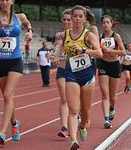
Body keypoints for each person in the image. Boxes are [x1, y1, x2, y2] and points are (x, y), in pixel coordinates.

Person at [53, 5, 103, 150]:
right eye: (75, 16)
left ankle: (83, 125)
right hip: (71, 74)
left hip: (87, 75)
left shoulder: (89, 35)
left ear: (85, 18)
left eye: (80, 16)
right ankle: (74, 140)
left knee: (86, 110)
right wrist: (55, 55)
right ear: (72, 17)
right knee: (73, 109)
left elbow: (99, 53)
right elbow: (59, 46)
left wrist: (84, 50)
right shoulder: (65, 34)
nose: (77, 19)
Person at [0, 0, 33, 146]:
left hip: (15, 61)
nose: (4, 2)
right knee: (8, 97)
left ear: (12, 1)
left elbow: (26, 23)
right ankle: (14, 123)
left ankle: (2, 132)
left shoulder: (19, 17)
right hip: (0, 62)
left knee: (8, 95)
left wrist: (30, 31)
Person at [97, 15, 126, 129]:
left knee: (113, 96)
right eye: (103, 22)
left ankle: (112, 107)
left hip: (114, 65)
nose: (105, 24)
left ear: (111, 23)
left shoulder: (116, 36)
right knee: (105, 94)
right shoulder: (100, 37)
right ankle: (106, 119)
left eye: (107, 22)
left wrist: (110, 50)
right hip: (103, 65)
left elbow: (123, 52)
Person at [54, 9, 72, 138]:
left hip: (77, 71)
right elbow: (57, 48)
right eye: (64, 19)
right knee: (64, 98)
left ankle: (78, 115)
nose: (66, 22)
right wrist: (54, 55)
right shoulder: (59, 35)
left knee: (76, 99)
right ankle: (65, 127)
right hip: (62, 69)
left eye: (69, 19)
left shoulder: (80, 35)